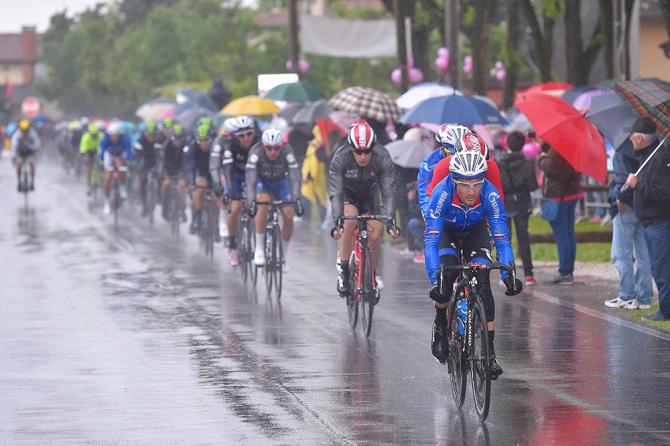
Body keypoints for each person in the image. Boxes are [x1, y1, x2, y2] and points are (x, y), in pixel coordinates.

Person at [424, 148, 522, 378]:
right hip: (446, 233)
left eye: (477, 184)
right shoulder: (442, 194)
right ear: (454, 180)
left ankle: (489, 354)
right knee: (446, 277)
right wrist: (435, 276)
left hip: (475, 232)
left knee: (483, 279)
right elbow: (431, 240)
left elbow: (502, 238)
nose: (471, 190)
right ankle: (440, 323)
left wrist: (509, 275)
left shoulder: (490, 195)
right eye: (465, 184)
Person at [328, 119, 400, 297]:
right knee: (349, 221)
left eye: (367, 151)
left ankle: (372, 274)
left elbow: (389, 192)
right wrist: (337, 222)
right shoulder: (340, 157)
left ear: (373, 147)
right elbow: (335, 193)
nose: (362, 156)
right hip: (347, 194)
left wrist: (391, 222)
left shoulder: (382, 157)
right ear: (351, 147)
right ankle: (344, 271)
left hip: (370, 195)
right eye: (358, 151)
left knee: (376, 233)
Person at [622, 117, 670, 321]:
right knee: (658, 266)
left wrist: (637, 185)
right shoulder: (647, 158)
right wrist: (625, 192)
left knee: (662, 267)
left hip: (659, 222)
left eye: (632, 136)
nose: (630, 140)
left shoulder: (659, 159)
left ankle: (666, 309)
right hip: (650, 222)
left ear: (640, 138)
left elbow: (663, 193)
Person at [604, 138, 653, 310]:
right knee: (643, 254)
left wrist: (620, 197)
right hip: (644, 206)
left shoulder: (621, 152)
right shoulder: (650, 151)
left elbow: (622, 178)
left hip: (624, 206)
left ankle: (627, 295)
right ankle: (645, 297)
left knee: (621, 252)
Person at [245, 128, 303, 270]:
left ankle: (282, 256)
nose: (273, 152)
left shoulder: (287, 150)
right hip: (261, 182)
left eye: (276, 148)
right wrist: (251, 200)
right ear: (263, 145)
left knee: (289, 213)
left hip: (280, 182)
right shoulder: (256, 151)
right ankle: (259, 248)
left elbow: (294, 176)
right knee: (262, 203)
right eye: (269, 148)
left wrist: (297, 199)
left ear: (281, 146)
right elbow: (251, 179)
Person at [214, 116, 260, 265]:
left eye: (249, 134)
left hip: (254, 174)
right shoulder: (230, 146)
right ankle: (232, 248)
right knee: (234, 209)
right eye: (241, 136)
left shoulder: (259, 142)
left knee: (263, 203)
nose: (246, 138)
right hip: (235, 175)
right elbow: (228, 171)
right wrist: (234, 195)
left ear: (254, 132)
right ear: (235, 137)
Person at [497, 131, 539, 285]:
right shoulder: (527, 164)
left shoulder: (499, 162)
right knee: (523, 238)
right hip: (521, 202)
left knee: (504, 239)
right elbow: (533, 186)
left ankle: (506, 273)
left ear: (507, 144)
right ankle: (529, 274)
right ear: (522, 145)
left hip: (504, 203)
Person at [537, 142, 582, 284]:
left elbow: (551, 168)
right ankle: (568, 270)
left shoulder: (558, 147)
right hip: (570, 194)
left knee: (562, 235)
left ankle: (565, 272)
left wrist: (542, 158)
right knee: (569, 233)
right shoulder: (573, 146)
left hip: (558, 196)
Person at [417, 124, 470, 219]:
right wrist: (429, 217)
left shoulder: (480, 156)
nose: (458, 157)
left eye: (463, 152)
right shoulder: (429, 163)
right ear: (442, 148)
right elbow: (424, 194)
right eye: (452, 153)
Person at [185, 121, 216, 234]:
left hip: (213, 171)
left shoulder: (215, 147)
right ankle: (197, 218)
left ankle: (215, 223)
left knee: (216, 195)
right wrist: (191, 181)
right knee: (198, 188)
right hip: (199, 171)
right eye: (201, 142)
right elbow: (190, 167)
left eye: (206, 141)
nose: (204, 145)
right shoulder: (193, 147)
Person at [99, 122, 132, 215]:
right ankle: (106, 202)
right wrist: (101, 161)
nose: (114, 137)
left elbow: (128, 150)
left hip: (120, 155)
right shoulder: (106, 139)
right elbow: (102, 150)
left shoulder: (124, 139)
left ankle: (122, 187)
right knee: (108, 178)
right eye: (112, 135)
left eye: (116, 135)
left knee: (122, 168)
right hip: (109, 155)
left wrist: (129, 161)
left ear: (119, 134)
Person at [161, 124, 188, 221]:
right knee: (166, 184)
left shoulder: (186, 146)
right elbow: (164, 161)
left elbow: (187, 162)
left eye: (180, 139)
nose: (178, 142)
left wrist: (183, 175)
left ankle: (182, 209)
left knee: (182, 185)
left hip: (181, 170)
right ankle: (164, 206)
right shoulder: (167, 145)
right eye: (176, 139)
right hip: (169, 169)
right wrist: (166, 175)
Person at [133, 122, 161, 216]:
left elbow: (162, 157)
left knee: (161, 178)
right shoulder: (140, 141)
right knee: (143, 181)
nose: (151, 137)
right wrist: (137, 166)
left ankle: (160, 198)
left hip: (155, 163)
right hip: (144, 163)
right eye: (149, 135)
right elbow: (137, 156)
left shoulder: (158, 141)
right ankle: (144, 203)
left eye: (153, 135)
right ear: (145, 134)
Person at [11, 119, 41, 191]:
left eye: (26, 130)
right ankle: (19, 183)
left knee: (31, 163)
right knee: (19, 165)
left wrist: (28, 145)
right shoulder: (17, 135)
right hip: (20, 153)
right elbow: (14, 147)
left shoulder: (33, 134)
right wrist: (13, 156)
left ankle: (32, 182)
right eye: (23, 130)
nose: (24, 131)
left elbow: (37, 145)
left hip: (30, 152)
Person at [79, 122, 105, 195]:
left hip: (98, 151)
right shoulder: (86, 137)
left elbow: (103, 146)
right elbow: (83, 147)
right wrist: (84, 153)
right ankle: (88, 185)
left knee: (102, 164)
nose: (94, 135)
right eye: (92, 134)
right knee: (89, 167)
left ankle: (102, 180)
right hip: (89, 152)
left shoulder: (101, 136)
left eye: (95, 134)